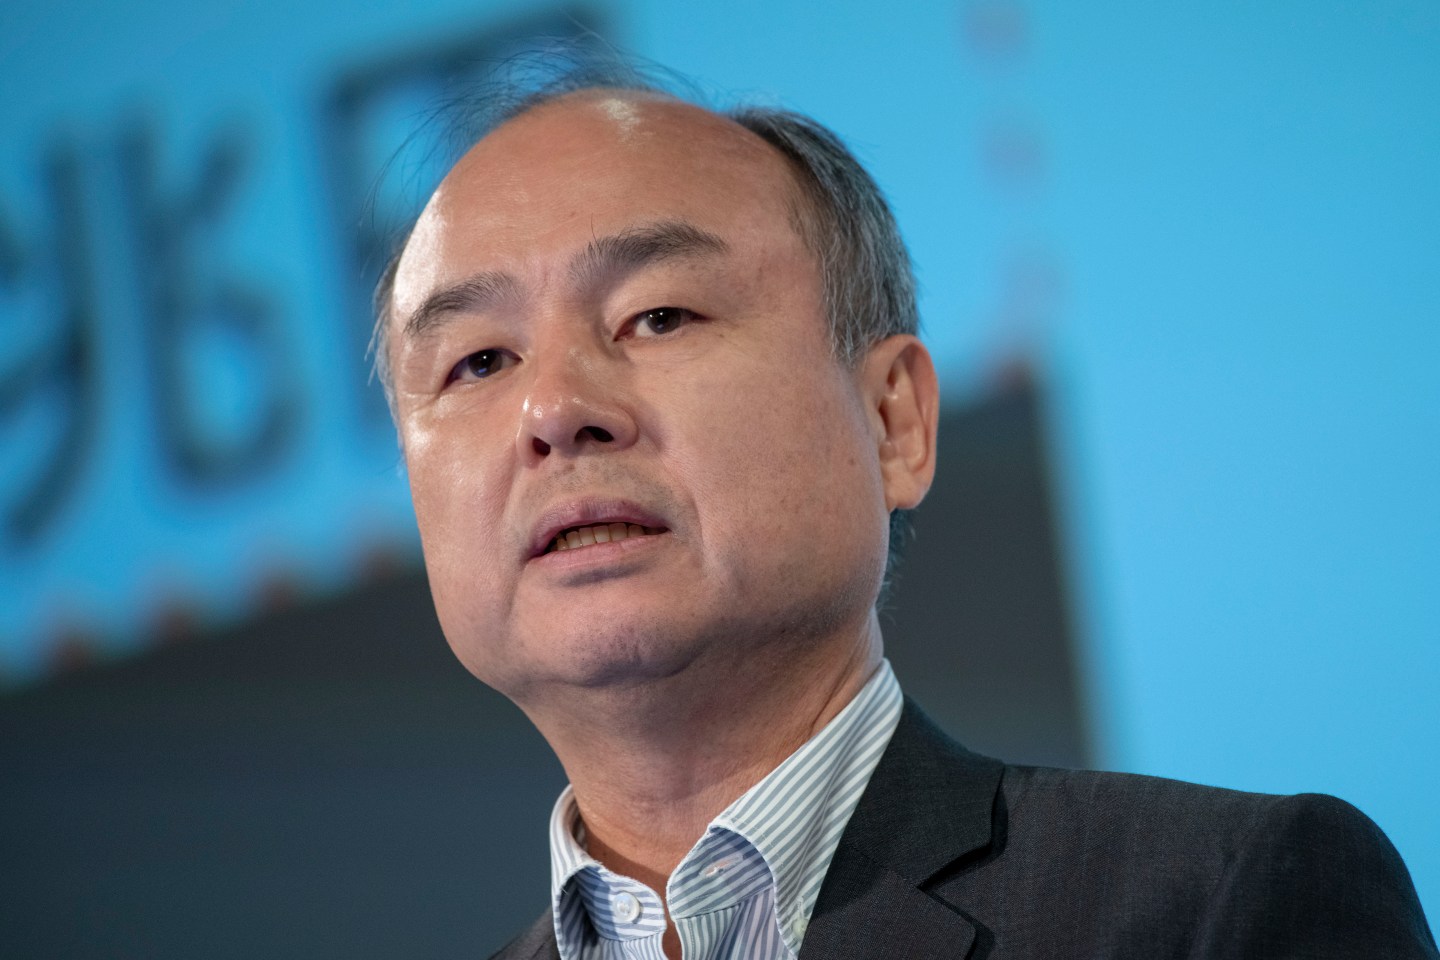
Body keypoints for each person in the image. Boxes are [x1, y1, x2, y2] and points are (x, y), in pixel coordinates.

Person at [371, 61, 1437, 960]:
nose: (555, 410)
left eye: (657, 315)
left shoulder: (1217, 903)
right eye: (477, 361)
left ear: (894, 423)